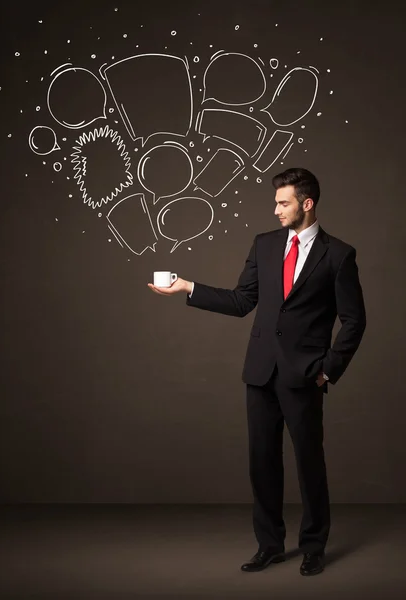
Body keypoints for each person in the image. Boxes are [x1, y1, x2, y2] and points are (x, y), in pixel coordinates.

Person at [148, 167, 366, 576]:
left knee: (309, 464)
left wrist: (328, 370)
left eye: (283, 202)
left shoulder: (338, 254)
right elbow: (240, 301)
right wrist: (187, 287)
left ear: (307, 203)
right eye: (276, 202)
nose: (276, 210)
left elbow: (354, 321)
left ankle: (314, 547)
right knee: (262, 463)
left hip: (305, 375)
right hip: (260, 372)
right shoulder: (264, 245)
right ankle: (269, 545)